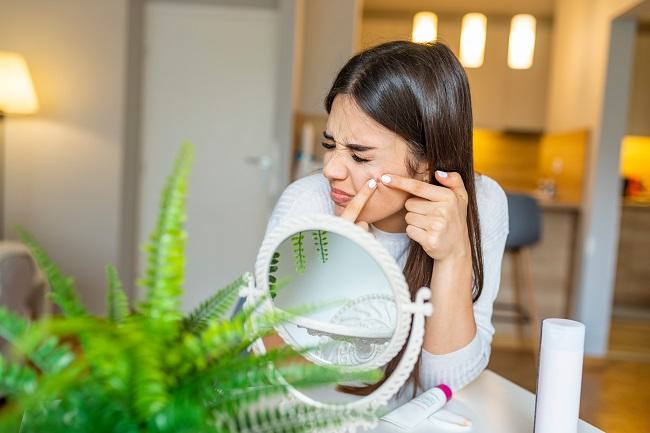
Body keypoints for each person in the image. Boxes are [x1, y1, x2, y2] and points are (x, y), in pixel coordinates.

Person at [263, 40, 509, 399]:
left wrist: (453, 256)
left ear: (428, 163)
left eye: (360, 157)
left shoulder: (482, 203)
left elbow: (446, 384)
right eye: (330, 145)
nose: (331, 169)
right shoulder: (307, 202)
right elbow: (276, 373)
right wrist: (340, 266)